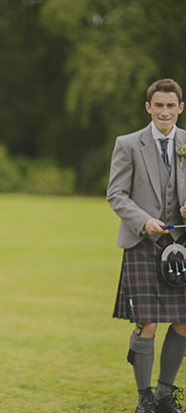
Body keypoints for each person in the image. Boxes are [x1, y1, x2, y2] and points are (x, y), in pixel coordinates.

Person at [108, 78, 186, 413]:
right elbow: (116, 194)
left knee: (183, 320)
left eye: (171, 105)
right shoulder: (128, 144)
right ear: (148, 107)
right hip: (143, 242)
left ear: (180, 108)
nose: (165, 111)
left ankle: (165, 395)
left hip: (182, 245)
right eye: (159, 105)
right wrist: (143, 220)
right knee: (149, 322)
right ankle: (144, 399)